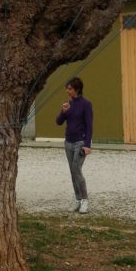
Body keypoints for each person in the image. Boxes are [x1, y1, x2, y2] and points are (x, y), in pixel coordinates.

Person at [55, 76, 93, 214]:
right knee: (72, 171)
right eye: (67, 88)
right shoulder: (68, 104)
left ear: (77, 89)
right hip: (68, 142)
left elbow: (89, 126)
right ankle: (77, 199)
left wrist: (87, 145)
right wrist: (63, 112)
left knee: (76, 169)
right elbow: (58, 122)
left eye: (69, 88)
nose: (67, 91)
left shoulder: (86, 104)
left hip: (80, 142)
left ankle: (85, 200)